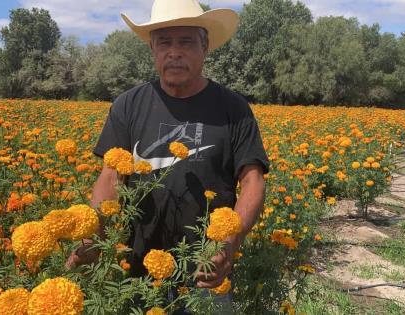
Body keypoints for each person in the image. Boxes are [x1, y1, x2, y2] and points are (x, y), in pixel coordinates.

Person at [66, 0, 269, 312]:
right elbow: (110, 177)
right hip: (136, 271)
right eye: (164, 42)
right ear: (152, 50)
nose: (174, 52)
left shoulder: (234, 109)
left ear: (205, 47)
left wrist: (230, 242)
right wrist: (96, 234)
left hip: (206, 270)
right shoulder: (128, 105)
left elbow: (253, 181)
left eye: (186, 41)